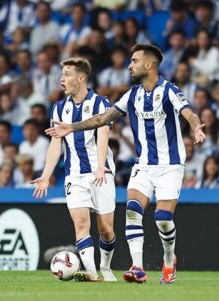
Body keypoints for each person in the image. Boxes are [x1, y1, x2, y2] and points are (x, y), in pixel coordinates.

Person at [48, 44, 206, 284]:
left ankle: (169, 259)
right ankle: (138, 267)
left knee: (162, 218)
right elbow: (103, 118)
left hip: (171, 165)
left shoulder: (169, 90)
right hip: (143, 165)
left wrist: (196, 127)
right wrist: (72, 127)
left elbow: (189, 113)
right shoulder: (132, 95)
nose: (130, 66)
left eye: (134, 61)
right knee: (133, 211)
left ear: (149, 65)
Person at [31, 58, 118, 282]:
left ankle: (106, 267)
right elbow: (55, 144)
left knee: (106, 230)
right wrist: (45, 176)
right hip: (75, 175)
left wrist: (100, 166)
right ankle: (91, 273)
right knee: (81, 224)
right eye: (61, 74)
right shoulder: (59, 108)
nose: (61, 79)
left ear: (81, 78)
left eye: (67, 74)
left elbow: (103, 135)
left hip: (101, 173)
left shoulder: (100, 103)